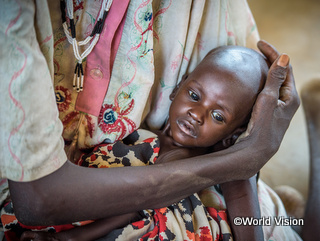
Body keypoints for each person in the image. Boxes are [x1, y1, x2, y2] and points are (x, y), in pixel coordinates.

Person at [0, 1, 300, 241]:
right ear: (177, 88)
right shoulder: (144, 139)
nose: (197, 114)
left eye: (218, 116)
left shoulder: (204, 156)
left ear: (233, 135)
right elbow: (124, 208)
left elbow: (132, 211)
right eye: (194, 96)